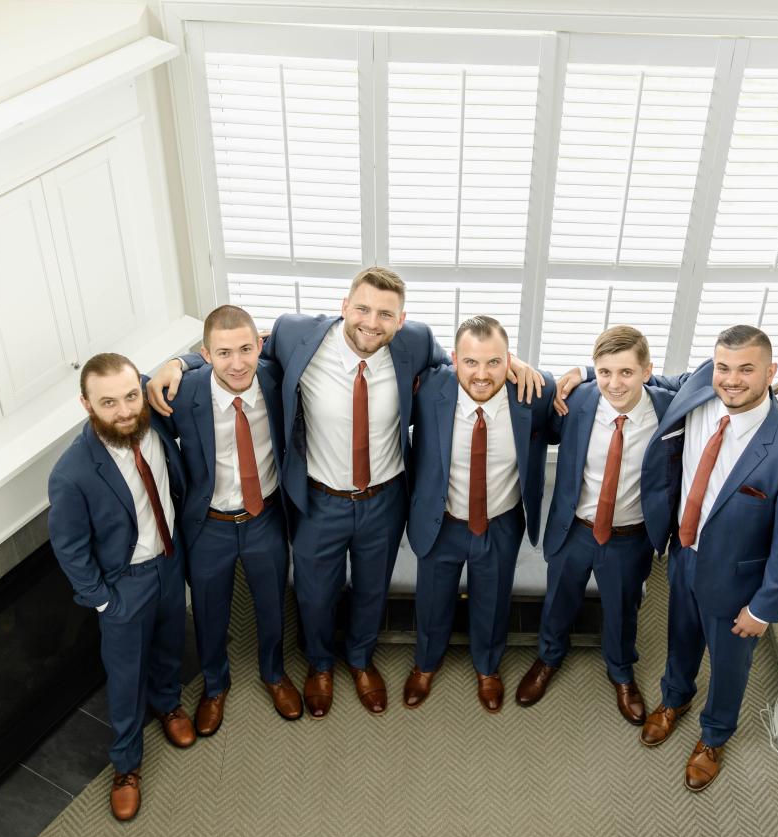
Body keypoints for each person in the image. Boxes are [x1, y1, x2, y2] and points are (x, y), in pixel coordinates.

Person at [147, 267, 543, 718]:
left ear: (401, 319)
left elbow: (468, 362)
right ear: (343, 306)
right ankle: (319, 665)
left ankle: (359, 659)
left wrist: (514, 364)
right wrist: (181, 362)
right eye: (363, 309)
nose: (372, 322)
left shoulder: (414, 342)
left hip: (385, 499)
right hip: (319, 499)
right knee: (316, 593)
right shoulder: (297, 334)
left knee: (372, 590)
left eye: (385, 314)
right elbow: (239, 351)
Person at [590, 325, 778, 792]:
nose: (732, 379)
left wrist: (764, 608)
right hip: (684, 554)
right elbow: (650, 383)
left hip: (738, 580)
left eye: (746, 369)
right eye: (723, 367)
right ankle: (674, 700)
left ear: (771, 372)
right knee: (680, 636)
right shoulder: (699, 384)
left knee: (730, 665)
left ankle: (715, 735)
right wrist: (576, 374)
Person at [47, 353, 195, 821]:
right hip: (123, 585)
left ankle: (169, 705)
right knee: (126, 677)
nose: (125, 410)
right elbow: (69, 547)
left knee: (171, 644)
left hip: (170, 562)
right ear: (86, 404)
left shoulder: (151, 413)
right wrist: (104, 600)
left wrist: (180, 360)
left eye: (131, 396)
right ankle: (126, 765)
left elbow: (196, 362)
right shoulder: (71, 473)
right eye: (108, 402)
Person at [514, 326, 675, 726]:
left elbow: (709, 376)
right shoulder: (578, 399)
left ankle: (621, 671)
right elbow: (534, 414)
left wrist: (585, 369)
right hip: (575, 528)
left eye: (626, 373)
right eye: (604, 372)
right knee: (559, 600)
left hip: (629, 535)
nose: (614, 384)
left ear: (647, 371)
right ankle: (548, 658)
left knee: (623, 610)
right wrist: (583, 374)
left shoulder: (671, 409)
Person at [152, 305, 301, 737]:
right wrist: (178, 363)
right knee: (209, 611)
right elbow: (137, 388)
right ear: (206, 353)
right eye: (223, 353)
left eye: (245, 349)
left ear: (260, 346)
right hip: (208, 523)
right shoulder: (183, 393)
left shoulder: (277, 379)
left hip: (266, 517)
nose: (237, 363)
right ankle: (216, 685)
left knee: (272, 604)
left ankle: (274, 674)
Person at [403, 316, 555, 713]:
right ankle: (426, 663)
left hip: (500, 522)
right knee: (432, 601)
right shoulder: (429, 387)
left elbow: (588, 400)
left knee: (493, 600)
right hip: (442, 521)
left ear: (510, 361)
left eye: (494, 362)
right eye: (471, 362)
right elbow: (393, 340)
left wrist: (582, 371)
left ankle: (488, 667)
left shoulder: (534, 395)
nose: (482, 374)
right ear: (454, 360)